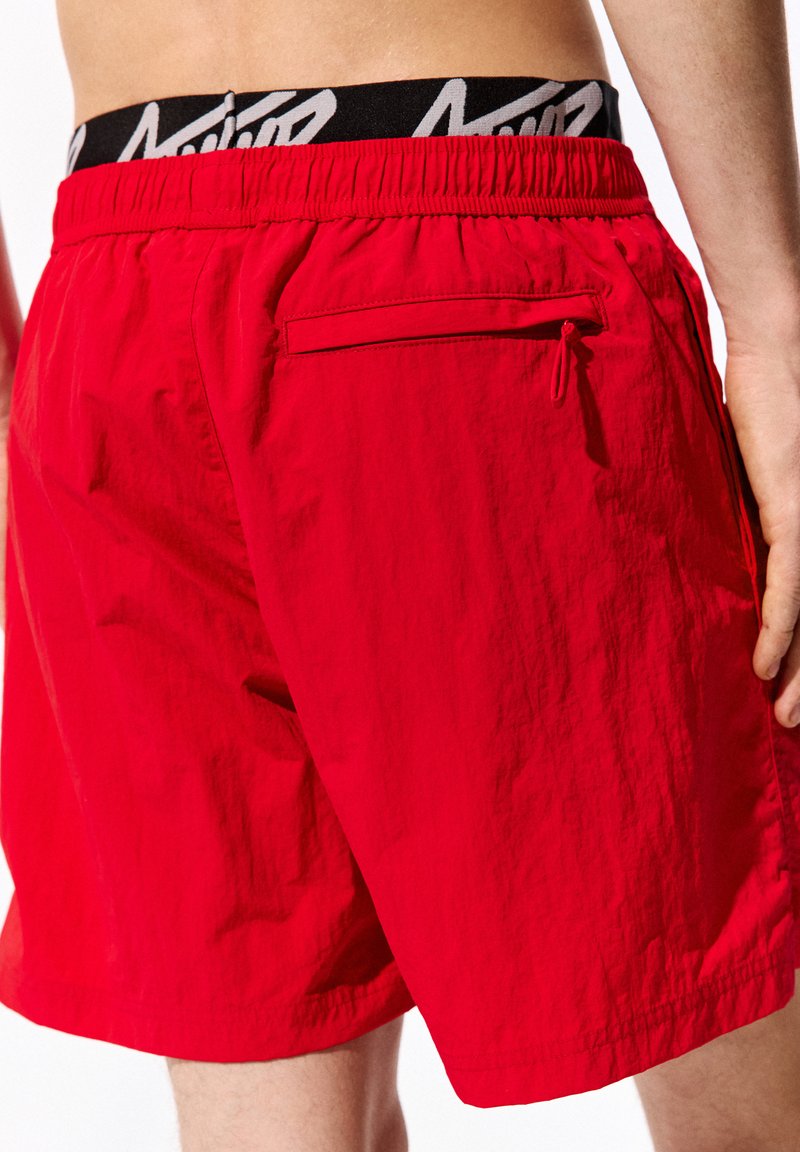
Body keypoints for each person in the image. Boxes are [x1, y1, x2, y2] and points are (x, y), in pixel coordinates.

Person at [1, 0, 800, 1148]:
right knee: (741, 1057)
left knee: (275, 1114)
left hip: (111, 316)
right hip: (458, 258)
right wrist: (771, 326)